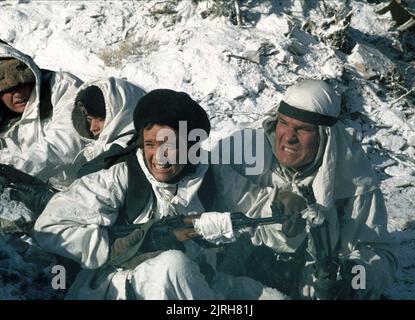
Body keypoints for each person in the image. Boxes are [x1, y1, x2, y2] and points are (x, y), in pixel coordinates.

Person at [34, 89, 287, 300]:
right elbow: (50, 227)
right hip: (116, 287)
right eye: (151, 145)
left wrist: (284, 210)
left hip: (197, 279)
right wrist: (118, 245)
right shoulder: (121, 177)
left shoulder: (211, 175)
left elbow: (257, 207)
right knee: (173, 266)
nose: (159, 157)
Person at [210, 79, 398, 299]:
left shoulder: (353, 179)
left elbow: (382, 256)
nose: (289, 137)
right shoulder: (240, 155)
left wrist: (352, 279)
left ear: (323, 136)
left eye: (303, 129)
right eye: (283, 123)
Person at [7, 77, 146, 217]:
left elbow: (93, 207)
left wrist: (48, 201)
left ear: (121, 113)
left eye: (100, 118)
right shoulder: (111, 150)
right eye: (89, 120)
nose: (93, 127)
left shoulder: (125, 156)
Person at [0, 42, 85, 190]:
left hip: (87, 183)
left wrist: (14, 171)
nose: (18, 94)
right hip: (39, 194)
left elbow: (66, 143)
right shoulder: (3, 117)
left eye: (22, 84)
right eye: (9, 89)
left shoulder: (61, 87)